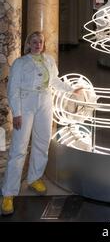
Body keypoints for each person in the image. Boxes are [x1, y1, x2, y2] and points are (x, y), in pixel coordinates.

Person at [1, 31, 81, 215]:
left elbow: (54, 81)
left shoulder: (48, 60)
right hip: (26, 103)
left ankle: (34, 177)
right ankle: (8, 193)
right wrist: (17, 113)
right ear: (28, 44)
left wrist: (71, 89)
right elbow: (13, 89)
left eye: (41, 42)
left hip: (45, 102)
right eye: (34, 41)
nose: (38, 44)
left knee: (42, 143)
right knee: (19, 148)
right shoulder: (20, 63)